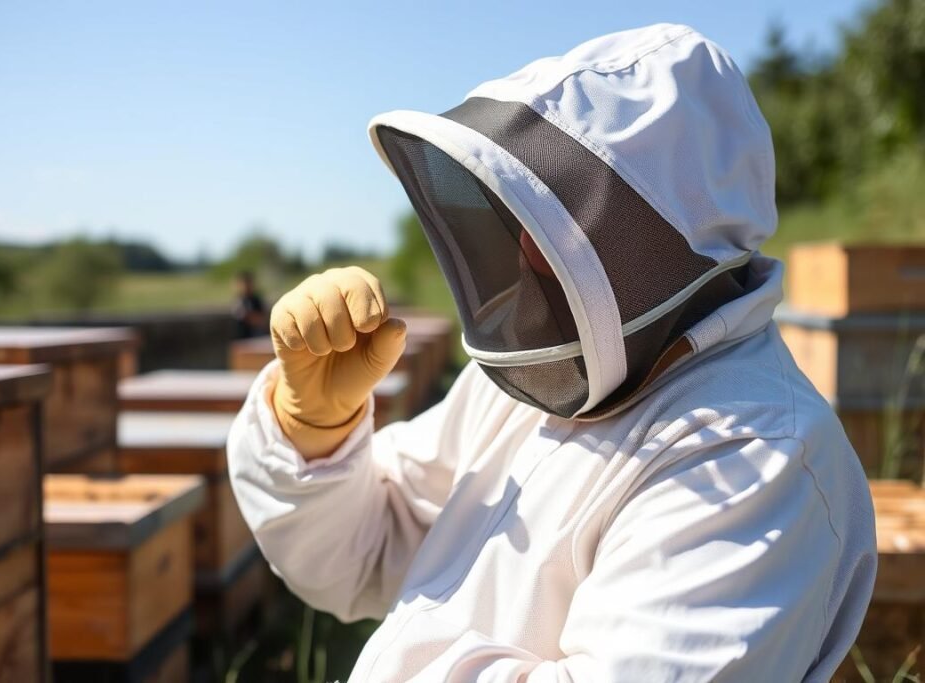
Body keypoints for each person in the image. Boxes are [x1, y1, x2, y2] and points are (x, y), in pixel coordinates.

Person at [228, 24, 876, 681]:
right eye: (514, 214)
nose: (521, 254)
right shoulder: (543, 376)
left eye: (551, 218)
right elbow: (361, 557)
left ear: (659, 235)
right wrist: (313, 429)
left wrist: (398, 647)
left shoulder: (755, 457)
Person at [230, 270, 267, 339]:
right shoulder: (239, 300)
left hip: (257, 337)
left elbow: (262, 319)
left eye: (249, 283)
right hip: (243, 338)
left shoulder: (257, 300)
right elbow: (245, 317)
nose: (247, 286)